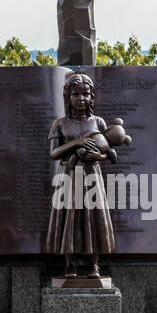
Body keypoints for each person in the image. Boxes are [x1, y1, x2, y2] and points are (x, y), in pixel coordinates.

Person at [43, 72, 117, 278]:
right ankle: (69, 264)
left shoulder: (99, 123)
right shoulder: (60, 124)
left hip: (92, 174)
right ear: (68, 96)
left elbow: (110, 153)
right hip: (68, 174)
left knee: (94, 218)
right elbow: (54, 153)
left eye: (86, 94)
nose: (81, 99)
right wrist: (76, 143)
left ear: (92, 97)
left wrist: (99, 156)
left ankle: (94, 265)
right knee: (69, 219)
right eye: (76, 94)